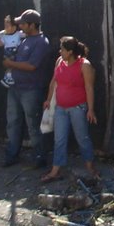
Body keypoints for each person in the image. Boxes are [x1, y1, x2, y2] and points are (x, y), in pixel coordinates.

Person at [40, 36, 98, 182]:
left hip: (78, 108)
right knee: (59, 139)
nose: (60, 52)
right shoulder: (60, 61)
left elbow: (89, 88)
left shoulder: (84, 65)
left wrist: (90, 109)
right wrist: (48, 99)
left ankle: (90, 167)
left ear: (70, 51)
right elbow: (54, 81)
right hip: (61, 107)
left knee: (82, 138)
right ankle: (55, 170)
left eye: (63, 49)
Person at [2, 8, 52, 168]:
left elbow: (31, 66)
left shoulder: (41, 43)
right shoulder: (24, 39)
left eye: (23, 24)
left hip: (31, 89)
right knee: (13, 121)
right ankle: (12, 153)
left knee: (34, 123)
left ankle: (39, 156)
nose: (20, 26)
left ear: (32, 25)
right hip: (16, 87)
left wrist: (10, 64)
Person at [0, 14, 24, 88]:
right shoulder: (4, 36)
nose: (5, 28)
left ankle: (8, 78)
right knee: (10, 65)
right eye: (5, 26)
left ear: (14, 27)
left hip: (17, 52)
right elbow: (0, 44)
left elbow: (27, 34)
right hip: (8, 53)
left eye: (7, 26)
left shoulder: (18, 34)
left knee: (14, 66)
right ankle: (7, 78)